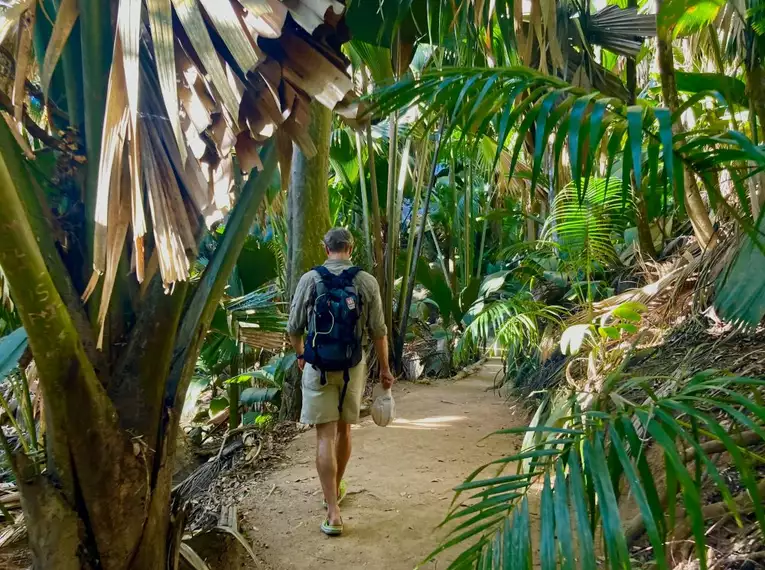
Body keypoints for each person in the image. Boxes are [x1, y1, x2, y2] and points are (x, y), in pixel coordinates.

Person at [287, 228, 395, 537]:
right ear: (351, 247)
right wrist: (385, 369)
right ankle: (335, 489)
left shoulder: (310, 280)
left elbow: (293, 328)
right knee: (345, 430)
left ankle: (332, 510)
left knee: (324, 437)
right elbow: (378, 330)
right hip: (352, 365)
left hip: (317, 365)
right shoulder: (365, 281)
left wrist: (300, 355)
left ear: (326, 248)